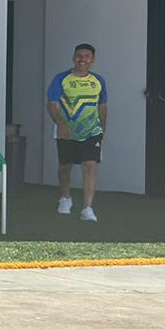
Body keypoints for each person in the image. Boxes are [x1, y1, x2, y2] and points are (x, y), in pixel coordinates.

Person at [49, 43, 108, 221]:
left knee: (90, 165)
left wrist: (102, 129)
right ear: (73, 57)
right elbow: (51, 104)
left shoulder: (98, 81)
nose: (83, 59)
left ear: (93, 60)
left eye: (87, 56)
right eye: (79, 56)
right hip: (66, 131)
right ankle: (65, 198)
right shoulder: (61, 78)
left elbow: (102, 106)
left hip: (91, 131)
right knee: (65, 166)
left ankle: (87, 208)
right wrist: (60, 124)